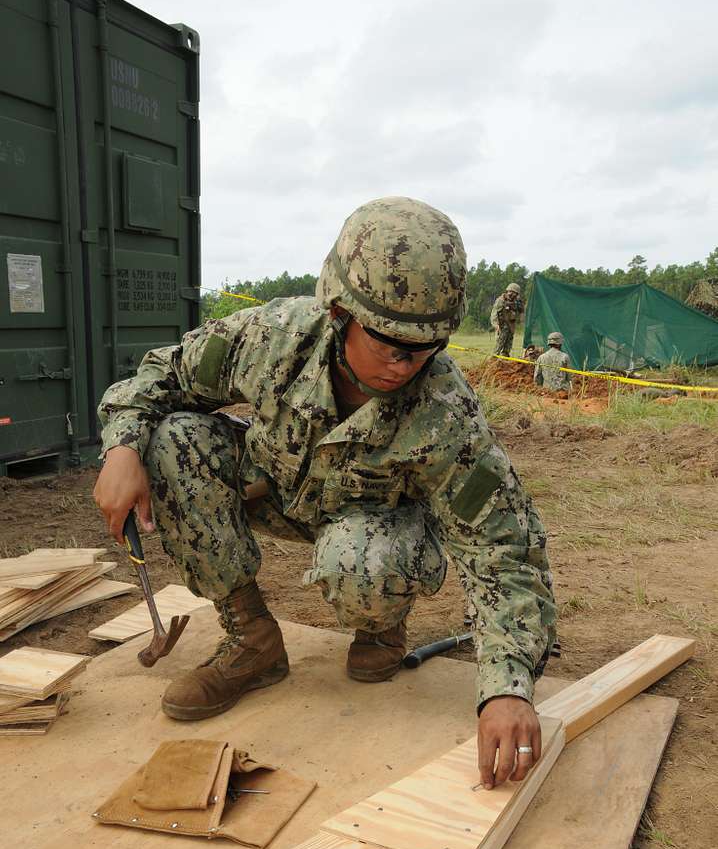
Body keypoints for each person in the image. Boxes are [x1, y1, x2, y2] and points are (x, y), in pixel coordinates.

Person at [93, 197, 556, 790]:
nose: (405, 363)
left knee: (358, 559)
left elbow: (505, 547)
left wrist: (507, 687)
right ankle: (251, 640)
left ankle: (381, 627)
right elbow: (160, 375)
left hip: (375, 531)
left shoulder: (446, 413)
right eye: (389, 341)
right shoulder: (272, 338)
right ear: (339, 311)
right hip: (279, 489)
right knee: (173, 441)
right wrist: (122, 448)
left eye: (425, 347)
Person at [490, 282, 524, 357]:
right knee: (499, 345)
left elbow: (521, 310)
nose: (514, 295)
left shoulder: (516, 301)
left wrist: (522, 320)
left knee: (508, 345)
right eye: (512, 293)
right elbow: (494, 314)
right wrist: (496, 325)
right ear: (509, 291)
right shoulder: (501, 301)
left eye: (516, 294)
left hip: (511, 326)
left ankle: (505, 359)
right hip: (502, 326)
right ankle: (493, 360)